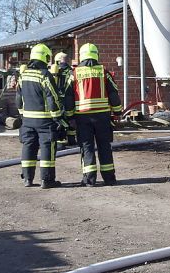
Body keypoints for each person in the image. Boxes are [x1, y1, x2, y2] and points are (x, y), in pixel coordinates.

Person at [72, 43, 122, 186]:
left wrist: (69, 115)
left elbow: (69, 96)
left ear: (81, 56)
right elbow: (113, 93)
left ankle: (89, 180)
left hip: (82, 117)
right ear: (96, 55)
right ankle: (109, 179)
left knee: (86, 146)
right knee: (104, 146)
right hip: (102, 117)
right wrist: (117, 111)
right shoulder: (103, 72)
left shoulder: (74, 73)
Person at [17, 43, 63, 189]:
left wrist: (22, 114)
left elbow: (18, 97)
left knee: (28, 147)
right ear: (45, 57)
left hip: (27, 120)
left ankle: (27, 179)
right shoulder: (45, 75)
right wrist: (57, 117)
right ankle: (47, 180)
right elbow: (52, 98)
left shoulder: (23, 75)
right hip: (44, 121)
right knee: (47, 148)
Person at [50, 52, 76, 149]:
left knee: (58, 120)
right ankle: (72, 140)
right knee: (70, 119)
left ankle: (60, 142)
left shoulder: (53, 71)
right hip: (70, 100)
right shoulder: (72, 71)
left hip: (57, 100)